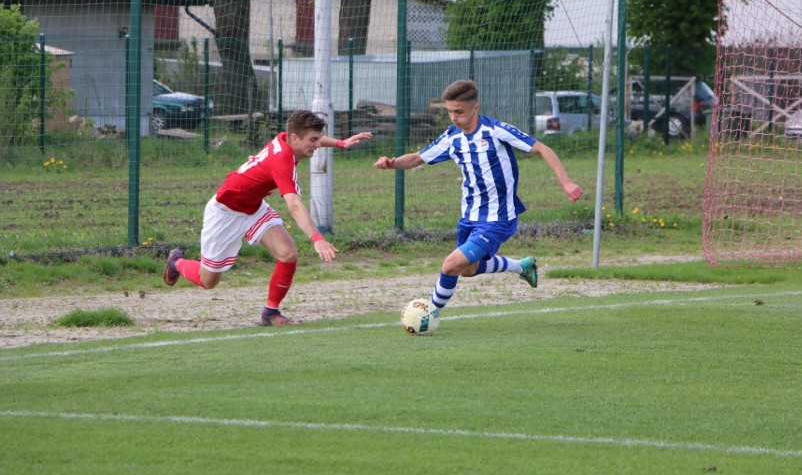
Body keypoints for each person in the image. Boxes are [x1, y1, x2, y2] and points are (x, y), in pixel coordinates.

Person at [374, 80, 583, 312]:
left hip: (498, 217)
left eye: (459, 112)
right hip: (470, 215)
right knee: (467, 270)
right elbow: (417, 158)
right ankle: (522, 267)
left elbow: (542, 148)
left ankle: (429, 312)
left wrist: (566, 181)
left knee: (451, 265)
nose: (454, 117)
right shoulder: (452, 137)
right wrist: (392, 164)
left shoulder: (495, 131)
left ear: (475, 108)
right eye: (450, 112)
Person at [163, 110, 372, 326]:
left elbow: (309, 136)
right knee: (208, 281)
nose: (317, 145)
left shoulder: (287, 137)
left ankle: (270, 313)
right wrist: (317, 238)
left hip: (253, 208)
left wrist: (340, 143)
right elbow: (293, 204)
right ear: (294, 138)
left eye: (318, 139)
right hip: (225, 212)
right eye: (313, 140)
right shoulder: (283, 160)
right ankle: (176, 263)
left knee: (288, 254)